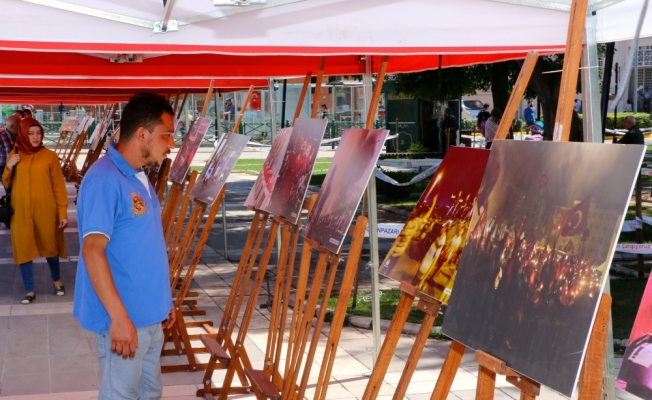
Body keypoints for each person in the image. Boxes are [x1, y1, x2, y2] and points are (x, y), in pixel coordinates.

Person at [73, 92, 176, 399]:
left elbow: (142, 246)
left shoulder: (137, 174)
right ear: (142, 134)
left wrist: (163, 300)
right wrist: (119, 318)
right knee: (122, 395)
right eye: (166, 135)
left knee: (149, 393)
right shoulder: (105, 179)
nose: (171, 143)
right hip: (125, 318)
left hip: (149, 314)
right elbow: (92, 250)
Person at [2, 118, 68, 304]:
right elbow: (7, 183)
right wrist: (9, 167)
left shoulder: (50, 157)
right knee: (23, 249)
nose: (35, 137)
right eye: (30, 133)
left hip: (46, 210)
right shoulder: (14, 155)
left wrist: (62, 212)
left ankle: (57, 280)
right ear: (23, 134)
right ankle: (30, 290)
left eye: (38, 133)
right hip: (21, 212)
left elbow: (58, 187)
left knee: (50, 246)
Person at [0, 116, 18, 190]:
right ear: (12, 126)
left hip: (16, 167)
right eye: (19, 126)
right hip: (3, 168)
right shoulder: (1, 137)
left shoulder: (18, 136)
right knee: (9, 189)